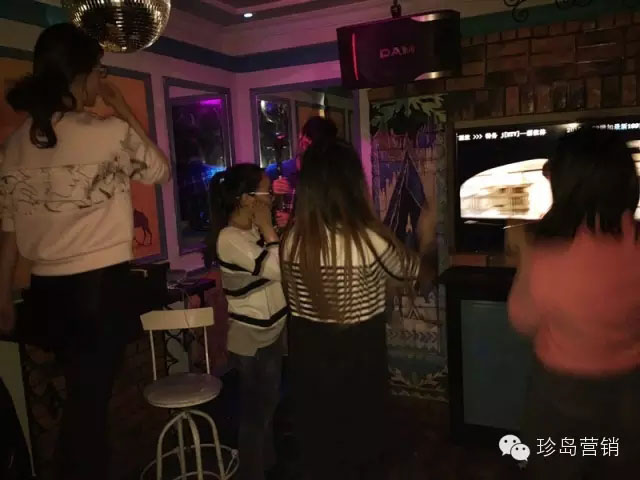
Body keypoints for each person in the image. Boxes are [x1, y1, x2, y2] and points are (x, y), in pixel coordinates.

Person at [0, 23, 170, 480]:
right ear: (80, 75)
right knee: (89, 412)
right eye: (100, 71)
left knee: (82, 403)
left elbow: (9, 229)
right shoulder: (108, 132)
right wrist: (123, 109)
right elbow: (159, 170)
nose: (102, 80)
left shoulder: (14, 145)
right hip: (99, 289)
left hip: (46, 293)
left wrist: (2, 298)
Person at [280, 139, 436, 479]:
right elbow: (421, 279)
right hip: (358, 370)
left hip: (308, 374)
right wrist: (426, 237)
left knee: (319, 458)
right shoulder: (369, 241)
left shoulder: (292, 241)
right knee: (360, 457)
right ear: (353, 185)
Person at [508, 128, 640, 479]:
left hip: (562, 398)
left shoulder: (548, 256)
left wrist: (524, 253)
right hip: (629, 394)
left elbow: (522, 319)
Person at [205, 164, 287, 480]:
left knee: (268, 408)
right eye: (267, 191)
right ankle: (252, 473)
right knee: (255, 416)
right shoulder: (229, 238)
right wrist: (270, 231)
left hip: (272, 331)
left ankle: (268, 466)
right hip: (251, 339)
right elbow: (278, 270)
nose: (271, 197)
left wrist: (273, 230)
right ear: (247, 198)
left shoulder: (251, 231)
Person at [266, 116, 338, 228]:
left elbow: (331, 218)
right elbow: (254, 213)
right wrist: (271, 193)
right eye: (306, 139)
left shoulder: (327, 178)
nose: (306, 146)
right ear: (301, 135)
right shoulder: (273, 171)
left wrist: (294, 221)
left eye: (314, 144)